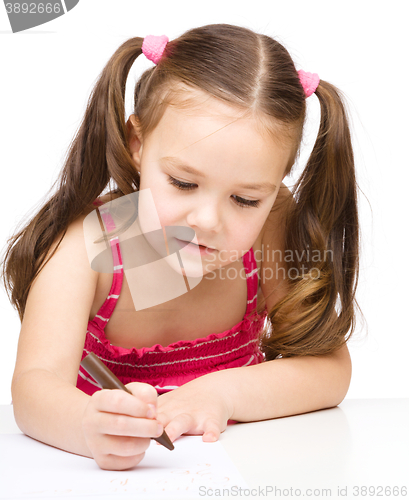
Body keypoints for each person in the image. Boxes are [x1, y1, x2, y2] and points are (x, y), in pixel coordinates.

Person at [1, 24, 359, 471]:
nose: (207, 221)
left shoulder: (271, 227)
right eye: (183, 183)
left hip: (235, 470)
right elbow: (34, 388)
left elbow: (328, 368)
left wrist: (222, 394)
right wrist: (86, 427)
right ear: (138, 144)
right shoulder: (89, 247)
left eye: (246, 199)